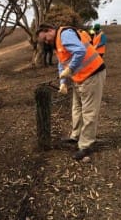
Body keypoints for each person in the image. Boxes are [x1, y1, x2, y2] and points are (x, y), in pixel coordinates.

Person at [36, 23, 106, 161]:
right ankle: (76, 136)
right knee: (77, 108)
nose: (46, 41)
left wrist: (71, 69)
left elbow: (80, 51)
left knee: (89, 111)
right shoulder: (56, 42)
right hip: (79, 78)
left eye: (45, 38)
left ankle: (86, 145)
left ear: (50, 30)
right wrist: (63, 83)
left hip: (92, 74)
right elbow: (62, 63)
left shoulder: (64, 34)